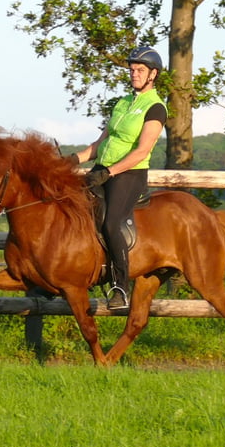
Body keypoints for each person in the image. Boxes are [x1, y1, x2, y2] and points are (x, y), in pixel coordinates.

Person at [71, 45, 167, 310]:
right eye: (132, 69)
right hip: (102, 170)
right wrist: (72, 159)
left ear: (153, 74)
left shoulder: (156, 108)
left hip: (129, 175)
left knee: (112, 223)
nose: (134, 74)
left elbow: (142, 151)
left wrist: (109, 172)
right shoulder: (122, 103)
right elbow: (100, 143)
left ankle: (120, 287)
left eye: (140, 70)